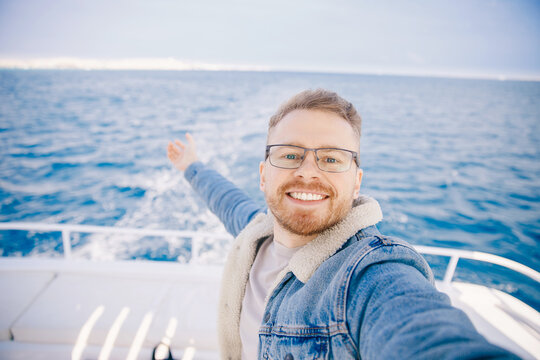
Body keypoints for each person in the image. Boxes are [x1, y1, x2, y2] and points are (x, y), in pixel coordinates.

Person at [166, 89, 517, 359]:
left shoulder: (370, 274)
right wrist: (191, 166)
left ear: (357, 182)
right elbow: (224, 198)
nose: (307, 171)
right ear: (263, 175)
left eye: (331, 159)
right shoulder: (255, 233)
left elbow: (419, 331)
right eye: (289, 154)